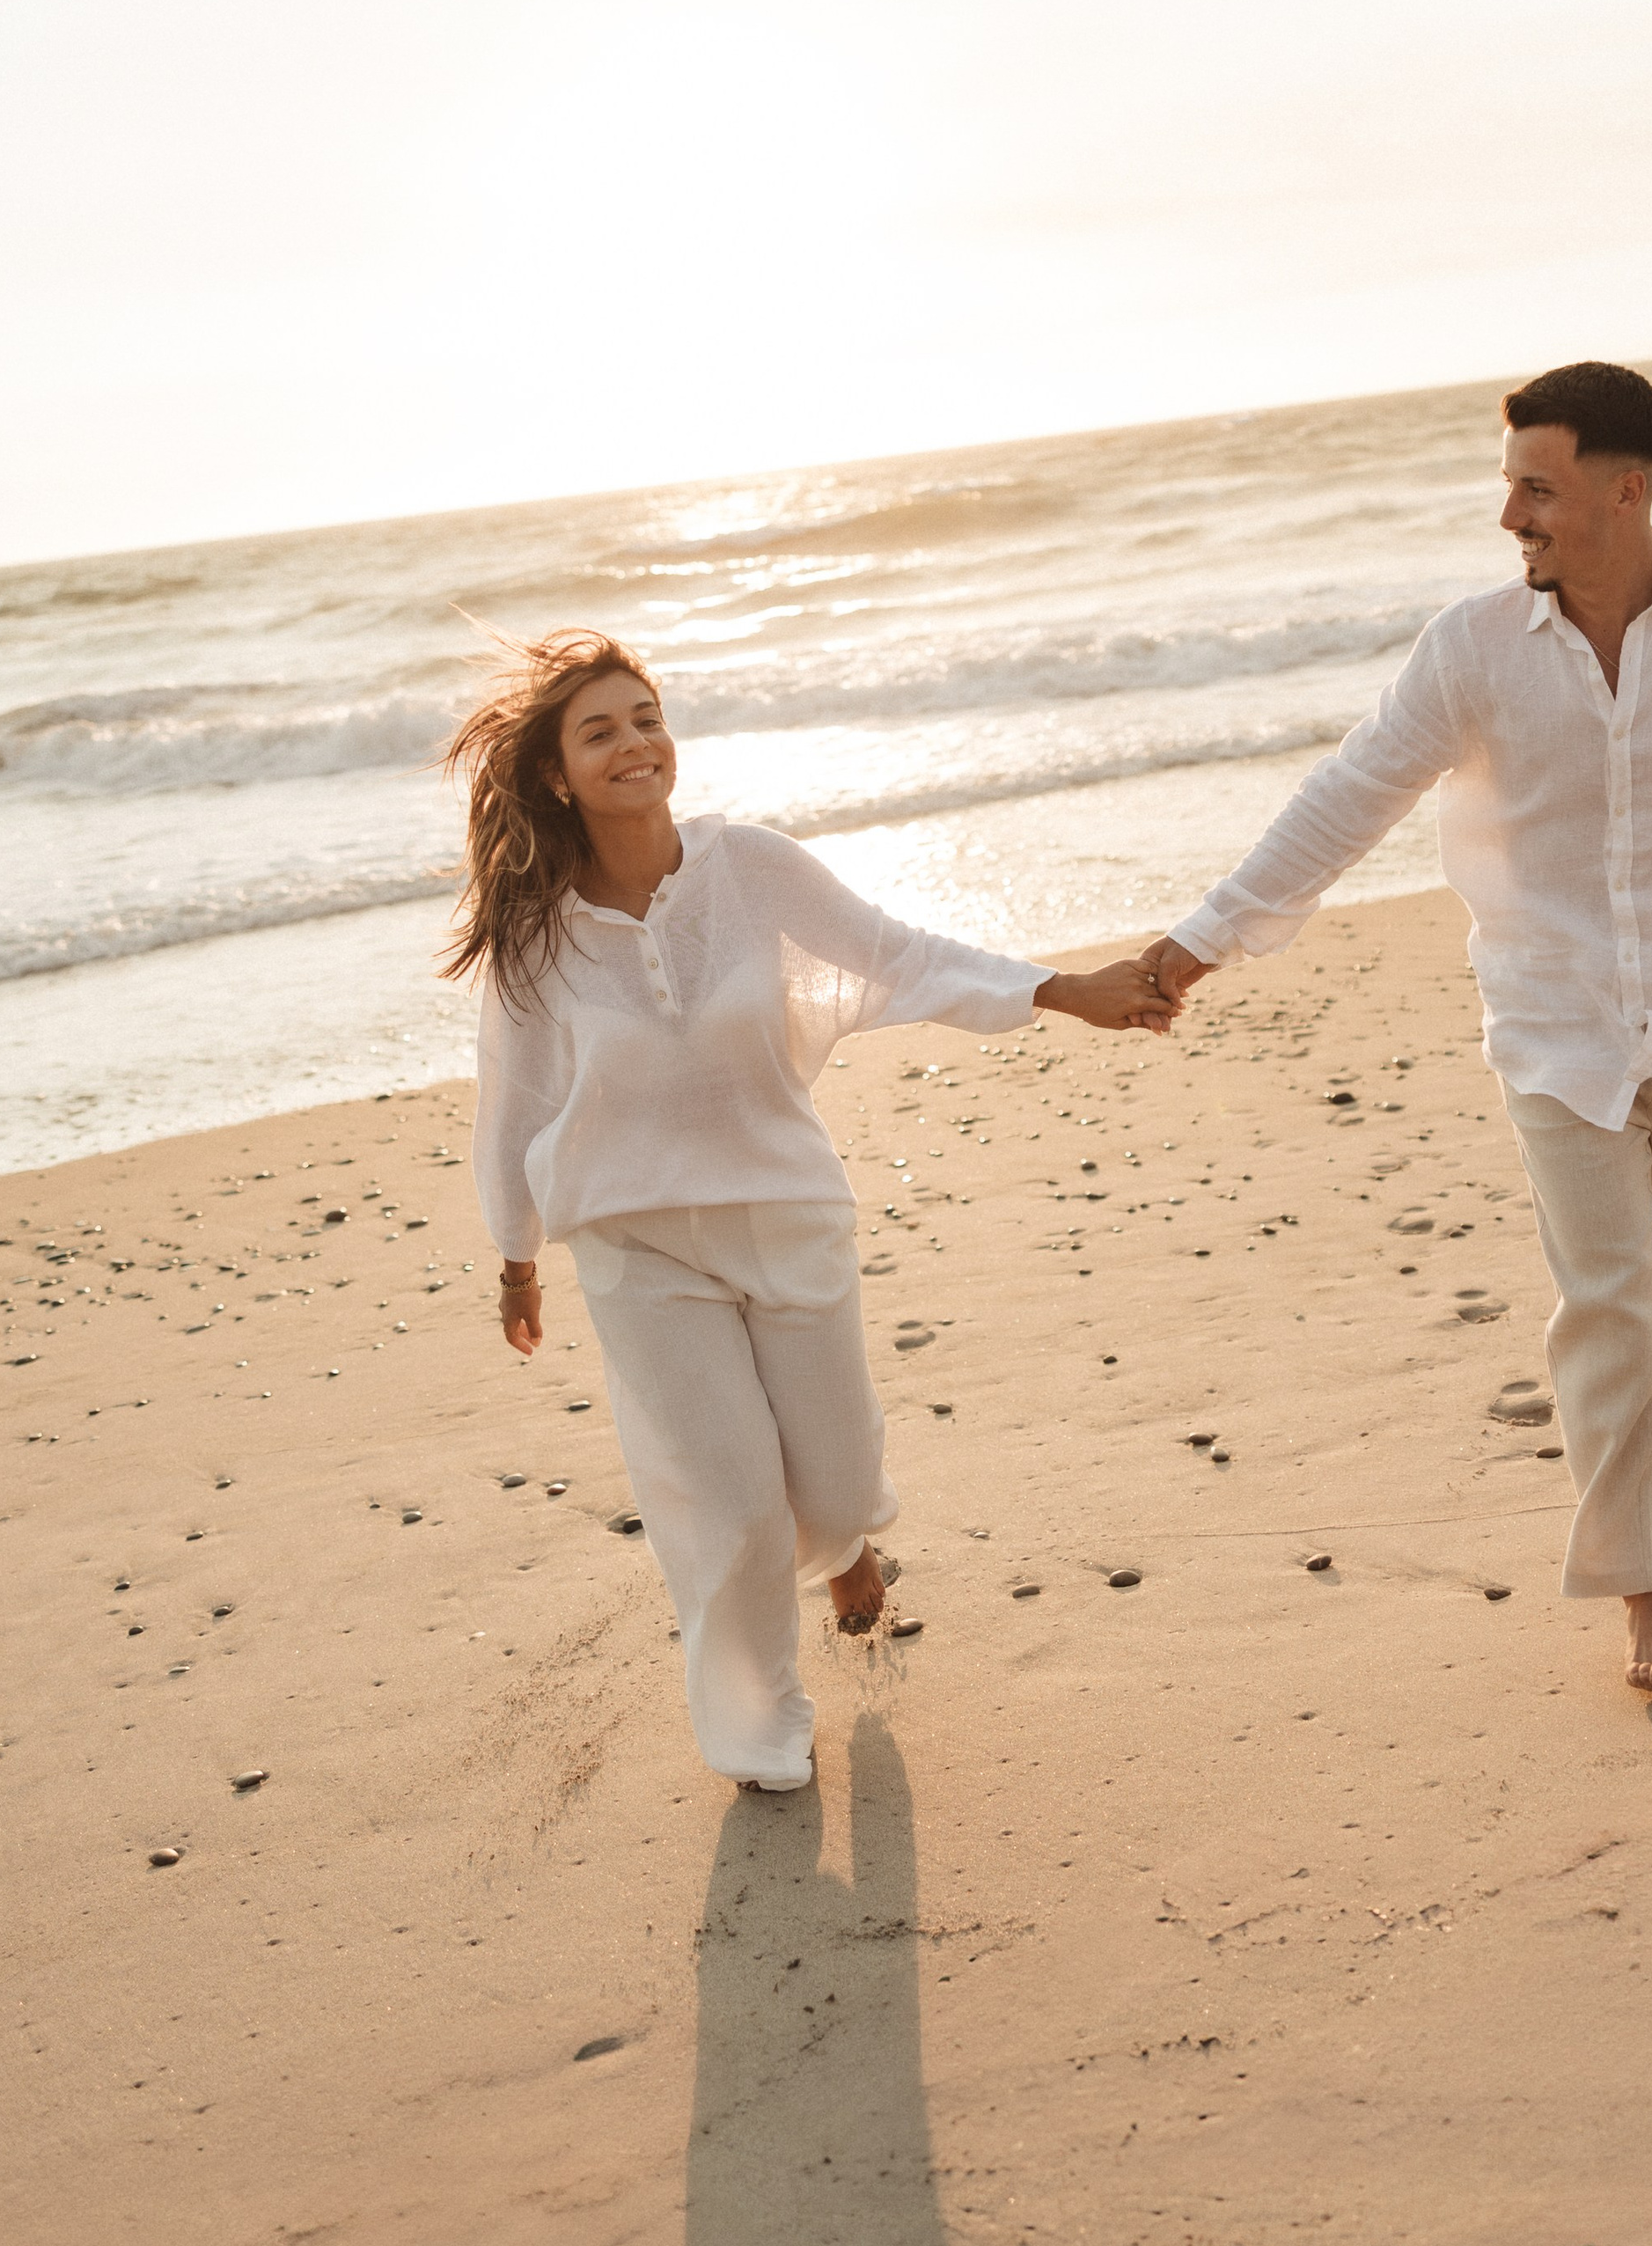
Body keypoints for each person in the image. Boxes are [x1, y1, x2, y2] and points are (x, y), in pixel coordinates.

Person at [1147, 361, 1652, 1696]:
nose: (1510, 515)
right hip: (1551, 1023)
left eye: (1537, 488)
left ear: (1625, 490)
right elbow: (1349, 794)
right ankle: (1642, 1581)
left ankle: (1636, 1500)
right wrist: (1202, 939)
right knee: (1608, 1299)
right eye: (1509, 486)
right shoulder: (1470, 649)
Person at [444, 630, 1176, 1789]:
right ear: (556, 774)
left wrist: (1058, 989)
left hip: (786, 1209)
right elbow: (515, 1102)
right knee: (731, 1500)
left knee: (831, 1481)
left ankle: (843, 1547)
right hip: (638, 1245)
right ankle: (757, 1726)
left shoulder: (750, 867)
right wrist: (515, 1257)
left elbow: (894, 952)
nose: (636, 743)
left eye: (647, 717)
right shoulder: (535, 935)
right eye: (601, 730)